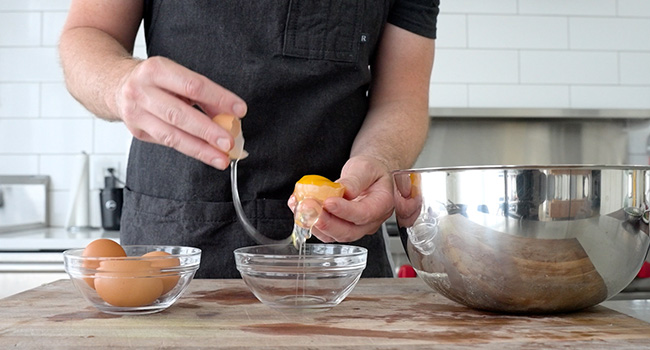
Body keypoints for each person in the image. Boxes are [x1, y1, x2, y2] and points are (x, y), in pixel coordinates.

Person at [58, 0, 439, 278]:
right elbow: (87, 33)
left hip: (336, 256)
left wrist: (380, 161)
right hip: (174, 242)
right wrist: (118, 84)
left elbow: (402, 98)